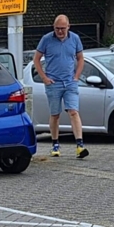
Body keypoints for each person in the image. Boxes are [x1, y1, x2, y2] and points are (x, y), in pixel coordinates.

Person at [32, 15, 88, 158]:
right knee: (55, 114)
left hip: (70, 82)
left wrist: (76, 76)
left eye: (63, 28)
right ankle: (55, 144)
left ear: (68, 27)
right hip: (53, 83)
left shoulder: (75, 38)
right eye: (57, 29)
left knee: (73, 111)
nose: (60, 32)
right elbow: (36, 59)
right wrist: (44, 78)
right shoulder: (46, 39)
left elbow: (81, 58)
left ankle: (80, 145)